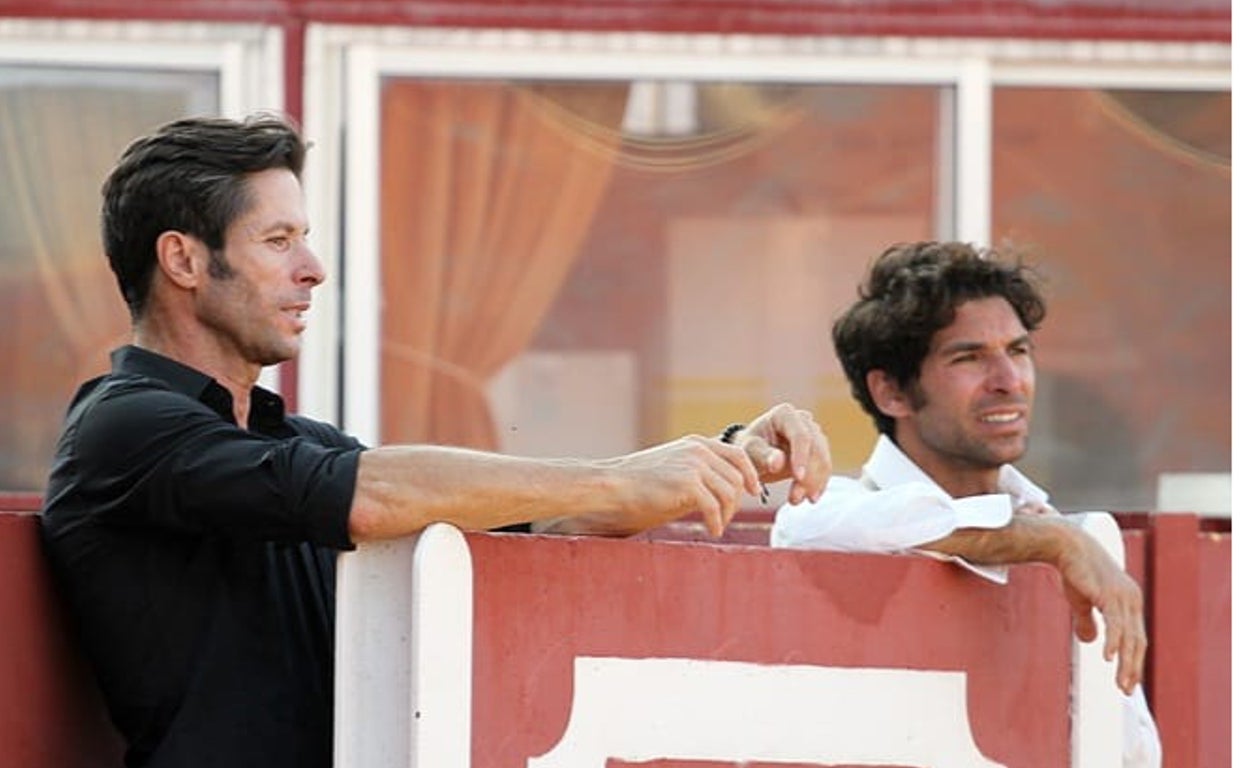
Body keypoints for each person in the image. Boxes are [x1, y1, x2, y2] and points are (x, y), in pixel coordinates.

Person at [39, 113, 831, 768]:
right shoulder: (126, 424)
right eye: (278, 241)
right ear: (181, 259)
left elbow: (540, 526)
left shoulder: (292, 438)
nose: (313, 268)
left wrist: (718, 458)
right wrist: (622, 477)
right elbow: (374, 495)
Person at [770, 240, 1160, 766]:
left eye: (1018, 352)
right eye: (969, 357)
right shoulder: (835, 510)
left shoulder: (1060, 538)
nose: (1009, 382)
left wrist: (1054, 539)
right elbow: (812, 523)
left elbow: (1134, 754)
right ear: (891, 393)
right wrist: (1051, 540)